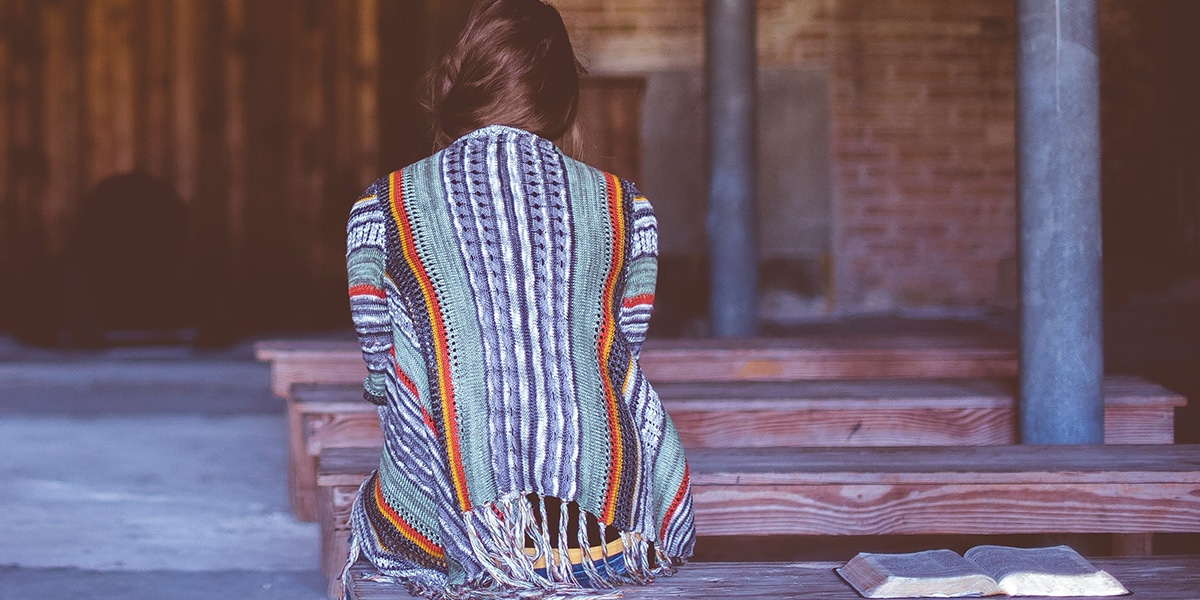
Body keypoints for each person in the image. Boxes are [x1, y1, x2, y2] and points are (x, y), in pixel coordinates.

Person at [343, 0, 694, 597]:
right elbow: (622, 350)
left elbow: (382, 375)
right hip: (598, 525)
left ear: (459, 88)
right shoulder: (624, 207)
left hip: (453, 521)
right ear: (562, 98)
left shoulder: (384, 208)